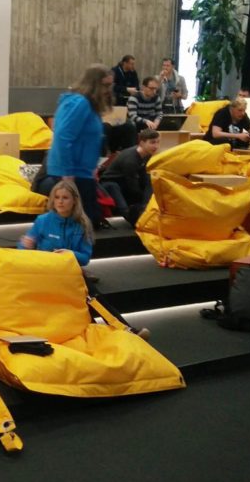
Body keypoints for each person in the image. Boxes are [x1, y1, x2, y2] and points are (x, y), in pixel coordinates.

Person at [19, 180, 148, 338]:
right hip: (45, 271)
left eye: (65, 198)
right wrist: (26, 244)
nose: (60, 201)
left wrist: (70, 254)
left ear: (74, 200)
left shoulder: (82, 224)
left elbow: (85, 257)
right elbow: (23, 250)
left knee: (93, 296)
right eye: (57, 197)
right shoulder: (43, 221)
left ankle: (126, 329)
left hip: (69, 271)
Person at [37, 64, 111, 228]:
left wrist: (92, 168)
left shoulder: (88, 105)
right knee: (80, 223)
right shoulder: (80, 103)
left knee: (87, 222)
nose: (108, 90)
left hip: (82, 171)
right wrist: (67, 173)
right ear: (94, 84)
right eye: (105, 85)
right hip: (71, 172)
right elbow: (63, 137)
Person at [100, 129, 160, 224]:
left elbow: (143, 177)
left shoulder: (147, 155)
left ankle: (146, 208)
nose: (156, 146)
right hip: (111, 183)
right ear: (142, 143)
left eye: (157, 142)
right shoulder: (130, 159)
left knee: (150, 179)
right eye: (152, 142)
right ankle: (132, 215)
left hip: (126, 182)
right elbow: (132, 185)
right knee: (121, 199)